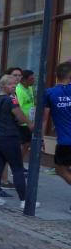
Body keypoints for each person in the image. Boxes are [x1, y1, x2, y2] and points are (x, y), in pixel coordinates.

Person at [0, 74, 34, 208]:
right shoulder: (11, 100)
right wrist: (29, 123)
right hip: (9, 136)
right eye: (10, 84)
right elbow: (19, 115)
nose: (13, 86)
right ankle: (24, 201)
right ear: (3, 86)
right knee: (17, 168)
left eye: (15, 84)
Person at [44, 61, 71, 210]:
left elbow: (44, 119)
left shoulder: (50, 93)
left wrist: (40, 137)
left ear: (57, 75)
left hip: (66, 141)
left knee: (60, 169)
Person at [15, 69, 36, 161]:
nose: (34, 80)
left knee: (27, 144)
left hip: (29, 122)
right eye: (31, 79)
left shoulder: (30, 88)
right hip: (22, 123)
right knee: (21, 144)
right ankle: (15, 164)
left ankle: (19, 163)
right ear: (24, 80)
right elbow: (17, 107)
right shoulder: (19, 90)